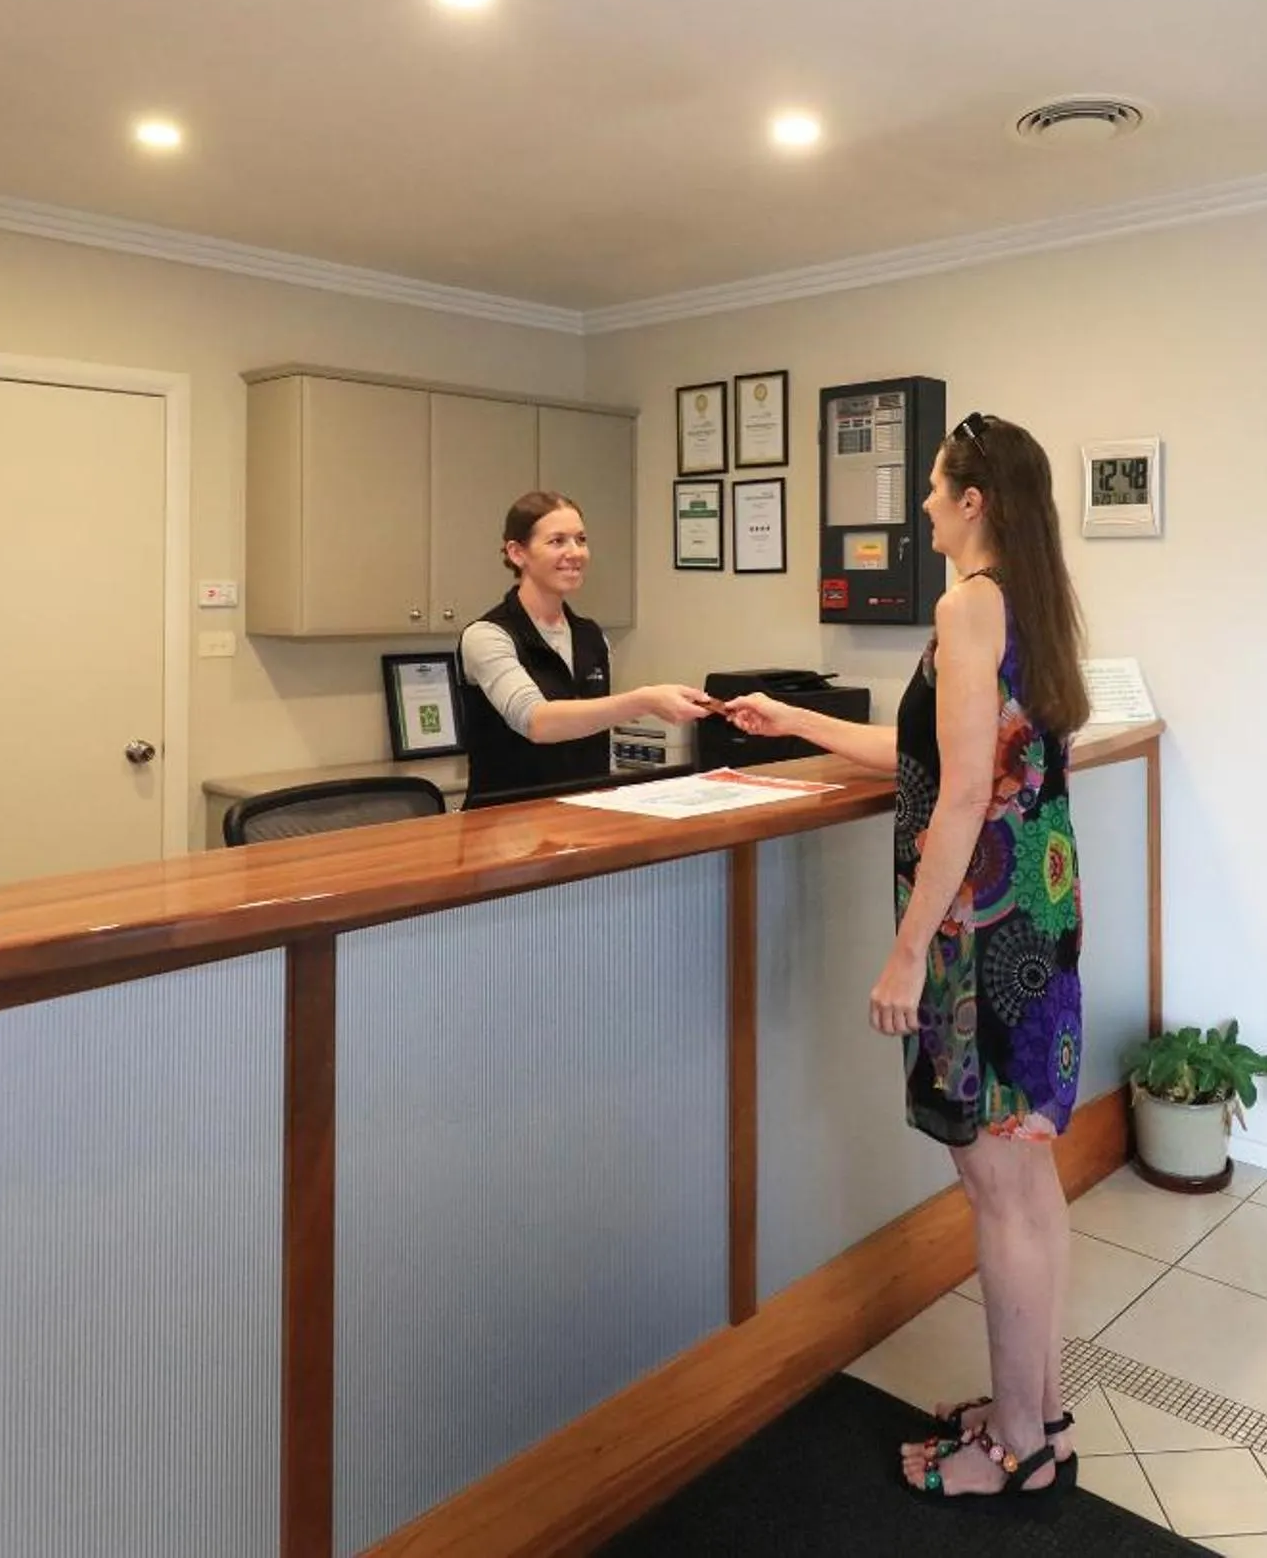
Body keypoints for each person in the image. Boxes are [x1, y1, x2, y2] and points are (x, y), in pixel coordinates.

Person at [722, 412, 1090, 1504]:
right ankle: (1038, 1413)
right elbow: (938, 750)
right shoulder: (1029, 605)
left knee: (994, 1186)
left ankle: (1011, 1450)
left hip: (975, 937)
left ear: (971, 501)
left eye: (933, 489)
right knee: (1026, 1180)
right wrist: (794, 720)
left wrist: (902, 956)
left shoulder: (965, 603)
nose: (922, 505)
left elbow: (963, 793)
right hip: (1037, 916)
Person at [457, 491, 711, 808]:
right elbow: (537, 722)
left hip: (581, 816)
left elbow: (594, 731)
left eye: (581, 539)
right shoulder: (488, 636)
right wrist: (644, 700)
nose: (575, 552)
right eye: (557, 541)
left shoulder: (591, 637)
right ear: (517, 553)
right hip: (506, 825)